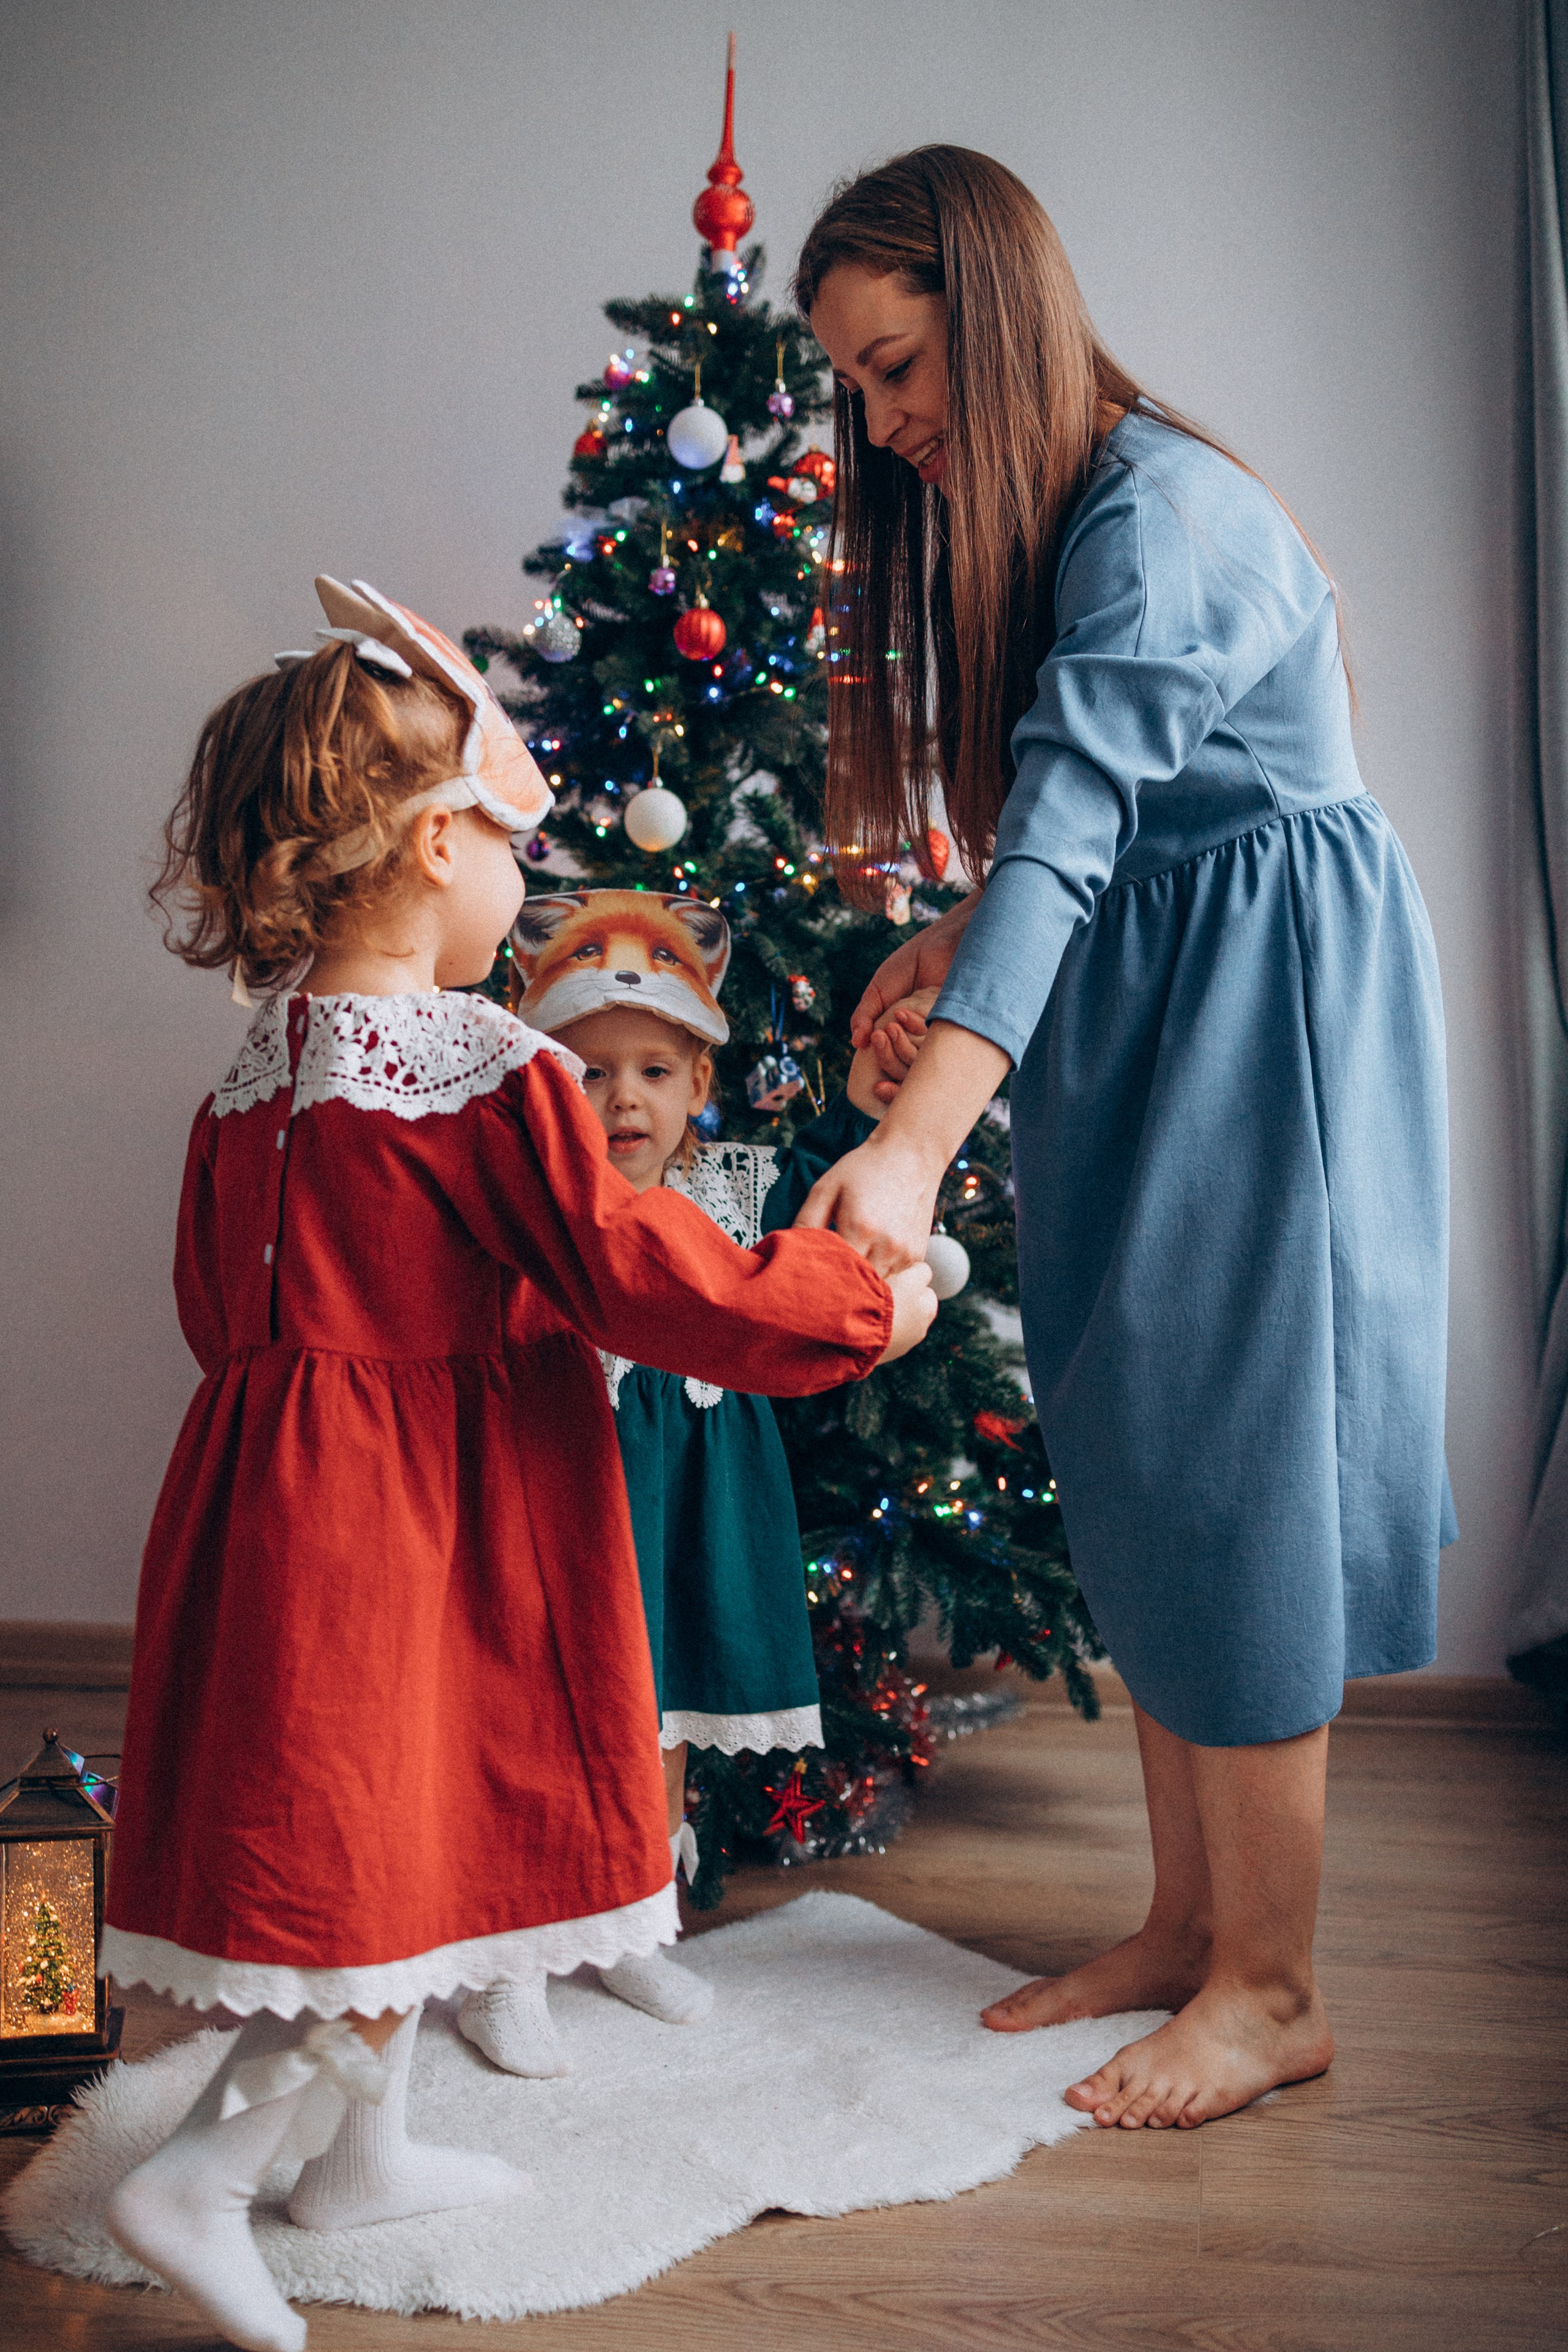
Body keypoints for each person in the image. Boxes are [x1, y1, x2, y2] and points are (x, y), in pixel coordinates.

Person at [100, 578, 933, 2352]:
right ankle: (208, 2169)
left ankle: (357, 2166)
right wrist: (857, 1303)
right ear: (431, 847)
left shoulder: (257, 1073)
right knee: (375, 1867)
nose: (519, 886)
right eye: (507, 848)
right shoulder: (479, 1067)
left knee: (377, 1839)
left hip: (270, 1508)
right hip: (417, 1526)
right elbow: (640, 1269)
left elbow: (211, 1307)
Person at [791, 148, 1453, 2132]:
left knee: (1241, 1466)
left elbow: (1082, 834)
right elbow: (1085, 836)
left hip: (1267, 1021)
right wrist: (951, 937)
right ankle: (1188, 1926)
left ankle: (1276, 1986)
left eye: (898, 368)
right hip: (1162, 1000)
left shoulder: (1166, 521)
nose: (884, 425)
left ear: (993, 313)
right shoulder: (1079, 519)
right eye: (857, 386)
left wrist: (911, 1151)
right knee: (1152, 1447)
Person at [456, 889, 892, 2067]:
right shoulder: (531, 1209)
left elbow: (834, 1192)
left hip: (690, 1513)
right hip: (565, 1505)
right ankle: (510, 1960)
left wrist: (870, 1103)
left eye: (654, 1072)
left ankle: (635, 1922)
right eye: (591, 1074)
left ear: (701, 1083)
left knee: (663, 1723)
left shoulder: (736, 1189)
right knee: (540, 1723)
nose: (624, 1100)